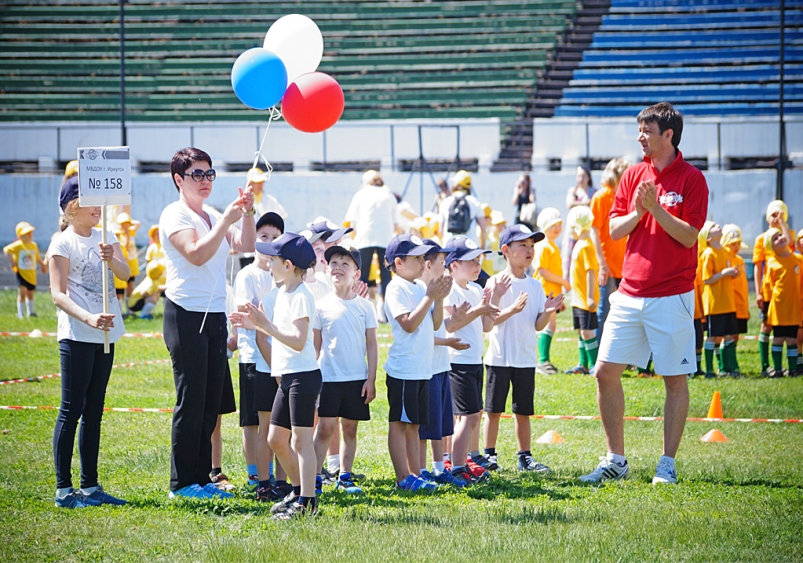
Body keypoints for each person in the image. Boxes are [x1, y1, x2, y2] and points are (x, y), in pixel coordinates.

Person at [580, 102, 708, 486]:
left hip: (672, 293)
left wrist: (656, 210)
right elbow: (616, 230)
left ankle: (666, 464)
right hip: (629, 292)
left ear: (668, 135)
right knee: (604, 372)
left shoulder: (692, 179)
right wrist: (639, 212)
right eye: (640, 131)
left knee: (673, 379)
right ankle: (616, 460)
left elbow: (689, 236)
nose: (640, 138)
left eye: (647, 132)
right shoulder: (633, 173)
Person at [160, 147, 256, 499]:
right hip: (185, 313)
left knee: (210, 401)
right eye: (196, 174)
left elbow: (246, 244)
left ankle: (202, 478)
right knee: (192, 397)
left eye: (209, 174)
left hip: (214, 314)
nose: (205, 181)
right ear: (178, 180)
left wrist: (247, 212)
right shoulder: (175, 215)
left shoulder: (213, 214)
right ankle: (182, 483)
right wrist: (226, 221)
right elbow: (197, 254)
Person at [48, 175, 130, 508]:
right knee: (72, 410)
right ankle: (64, 490)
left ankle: (91, 486)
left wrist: (113, 258)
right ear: (73, 207)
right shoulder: (61, 243)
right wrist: (88, 318)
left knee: (94, 411)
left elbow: (124, 274)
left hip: (106, 334)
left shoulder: (106, 237)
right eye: (92, 202)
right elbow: (57, 294)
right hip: (78, 334)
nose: (100, 208)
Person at [230, 232, 321, 519]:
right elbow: (276, 331)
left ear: (289, 265)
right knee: (276, 439)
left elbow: (297, 340)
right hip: (287, 377)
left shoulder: (301, 297)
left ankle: (308, 503)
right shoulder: (281, 293)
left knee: (301, 443)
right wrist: (254, 324)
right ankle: (298, 491)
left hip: (303, 377)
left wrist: (265, 325)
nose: (268, 263)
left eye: (273, 259)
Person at [482, 225, 563, 471]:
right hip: (498, 358)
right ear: (506, 250)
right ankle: (489, 456)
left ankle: (524, 456)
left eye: (531, 246)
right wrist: (508, 305)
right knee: (493, 410)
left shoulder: (535, 286)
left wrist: (547, 311)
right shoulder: (495, 282)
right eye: (523, 246)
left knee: (522, 411)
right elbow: (489, 322)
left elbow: (537, 325)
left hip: (526, 359)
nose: (529, 251)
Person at [383, 234, 451, 491]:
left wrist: (439, 298)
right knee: (399, 424)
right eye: (417, 258)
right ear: (399, 263)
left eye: (424, 257)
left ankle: (415, 474)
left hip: (421, 369)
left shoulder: (420, 287)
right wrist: (429, 297)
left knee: (414, 425)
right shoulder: (395, 288)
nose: (423, 262)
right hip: (403, 369)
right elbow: (409, 324)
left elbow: (434, 324)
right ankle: (403, 478)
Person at [312, 245, 378, 494]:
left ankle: (345, 476)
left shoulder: (365, 307)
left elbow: (372, 345)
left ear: (357, 274)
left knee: (350, 428)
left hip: (356, 379)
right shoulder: (321, 306)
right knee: (325, 428)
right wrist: (313, 382)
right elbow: (315, 348)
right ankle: (316, 477)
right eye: (334, 263)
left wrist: (370, 379)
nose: (338, 267)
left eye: (345, 264)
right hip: (328, 379)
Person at [231, 212, 282, 496]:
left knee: (274, 420)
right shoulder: (247, 275)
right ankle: (256, 474)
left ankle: (271, 473)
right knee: (252, 421)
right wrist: (263, 323)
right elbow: (243, 317)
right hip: (252, 356)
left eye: (275, 238)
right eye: (263, 237)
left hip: (280, 357)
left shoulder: (282, 273)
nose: (269, 242)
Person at [443, 236, 498, 486]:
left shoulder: (476, 289)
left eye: (479, 260)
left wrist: (491, 302)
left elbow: (486, 326)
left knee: (473, 414)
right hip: (458, 362)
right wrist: (478, 309)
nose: (478, 266)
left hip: (475, 360)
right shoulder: (449, 289)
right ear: (453, 265)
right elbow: (450, 325)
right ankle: (456, 467)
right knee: (467, 418)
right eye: (471, 261)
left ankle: (462, 462)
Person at [416, 239, 469, 487]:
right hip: (424, 369)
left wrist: (453, 322)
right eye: (441, 262)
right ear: (428, 264)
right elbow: (420, 335)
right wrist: (447, 342)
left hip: (440, 367)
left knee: (438, 425)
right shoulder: (418, 291)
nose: (446, 267)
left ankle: (439, 468)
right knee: (423, 427)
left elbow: (436, 326)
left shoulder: (435, 293)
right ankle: (422, 470)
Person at [344, 170, 398, 312]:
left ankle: (358, 307)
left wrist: (354, 237)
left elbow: (350, 222)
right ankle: (388, 311)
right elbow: (396, 224)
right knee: (386, 276)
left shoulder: (360, 195)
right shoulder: (388, 194)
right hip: (385, 238)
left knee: (361, 275)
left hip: (364, 237)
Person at [589, 158, 630, 341]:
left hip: (623, 264)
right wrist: (602, 264)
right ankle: (598, 358)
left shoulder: (623, 198)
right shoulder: (601, 197)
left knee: (624, 314)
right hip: (607, 264)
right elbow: (594, 231)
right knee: (603, 312)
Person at [753, 200, 794, 376]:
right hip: (769, 289)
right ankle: (765, 365)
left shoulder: (786, 234)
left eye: (780, 214)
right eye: (773, 214)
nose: (776, 218)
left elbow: (790, 242)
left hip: (784, 291)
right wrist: (758, 291)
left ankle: (782, 366)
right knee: (766, 325)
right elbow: (757, 265)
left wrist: (782, 224)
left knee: (784, 329)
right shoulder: (761, 239)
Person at [533, 208, 571, 375]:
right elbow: (542, 271)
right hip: (545, 291)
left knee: (551, 325)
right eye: (552, 225)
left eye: (559, 224)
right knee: (548, 324)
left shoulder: (553, 246)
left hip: (552, 293)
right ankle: (542, 361)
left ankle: (545, 361)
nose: (557, 228)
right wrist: (563, 282)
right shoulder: (543, 246)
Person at [699, 222, 739, 377]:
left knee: (729, 336)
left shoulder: (725, 252)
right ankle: (709, 369)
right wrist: (724, 273)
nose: (718, 227)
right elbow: (706, 279)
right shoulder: (708, 253)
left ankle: (728, 368)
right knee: (712, 336)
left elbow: (726, 273)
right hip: (714, 303)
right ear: (708, 237)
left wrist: (733, 273)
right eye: (714, 227)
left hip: (728, 302)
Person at [565, 206, 600, 375]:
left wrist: (590, 297)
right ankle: (583, 364)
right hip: (577, 298)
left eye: (572, 227)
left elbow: (591, 272)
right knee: (581, 330)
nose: (570, 231)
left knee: (587, 331)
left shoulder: (587, 245)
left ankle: (595, 365)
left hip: (586, 299)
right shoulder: (580, 244)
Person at [763, 228, 802, 377]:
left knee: (792, 339)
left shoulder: (797, 259)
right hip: (778, 308)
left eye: (780, 235)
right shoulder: (772, 263)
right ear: (771, 247)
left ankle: (793, 369)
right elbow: (767, 287)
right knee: (778, 339)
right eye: (775, 238)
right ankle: (778, 369)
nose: (780, 238)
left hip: (793, 308)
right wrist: (766, 308)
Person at [237, 167, 288, 268]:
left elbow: (282, 216)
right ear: (250, 183)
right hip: (247, 253)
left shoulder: (270, 200)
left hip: (268, 250)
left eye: (261, 182)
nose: (260, 185)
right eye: (257, 182)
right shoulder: (241, 201)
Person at [722, 224, 750, 375]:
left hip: (740, 304)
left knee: (735, 336)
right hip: (728, 304)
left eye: (739, 243)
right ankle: (726, 366)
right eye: (733, 243)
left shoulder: (740, 260)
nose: (737, 246)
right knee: (727, 335)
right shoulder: (723, 257)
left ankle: (730, 365)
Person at [4, 221, 47, 318]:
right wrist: (12, 262)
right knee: (22, 294)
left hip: (31, 274)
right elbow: (6, 250)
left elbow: (36, 257)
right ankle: (20, 313)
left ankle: (30, 312)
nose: (29, 235)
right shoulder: (18, 245)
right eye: (26, 234)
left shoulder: (33, 245)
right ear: (20, 236)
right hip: (21, 273)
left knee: (30, 294)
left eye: (30, 233)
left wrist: (43, 264)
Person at [561, 166, 596, 279]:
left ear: (588, 177)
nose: (581, 179)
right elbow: (569, 203)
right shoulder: (573, 190)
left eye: (583, 176)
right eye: (579, 176)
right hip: (573, 229)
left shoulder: (593, 191)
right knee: (569, 254)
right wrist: (584, 203)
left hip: (587, 229)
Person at [438, 171, 487, 249]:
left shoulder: (445, 202)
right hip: (471, 244)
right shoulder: (475, 202)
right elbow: (483, 228)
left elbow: (440, 231)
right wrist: (483, 246)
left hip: (450, 245)